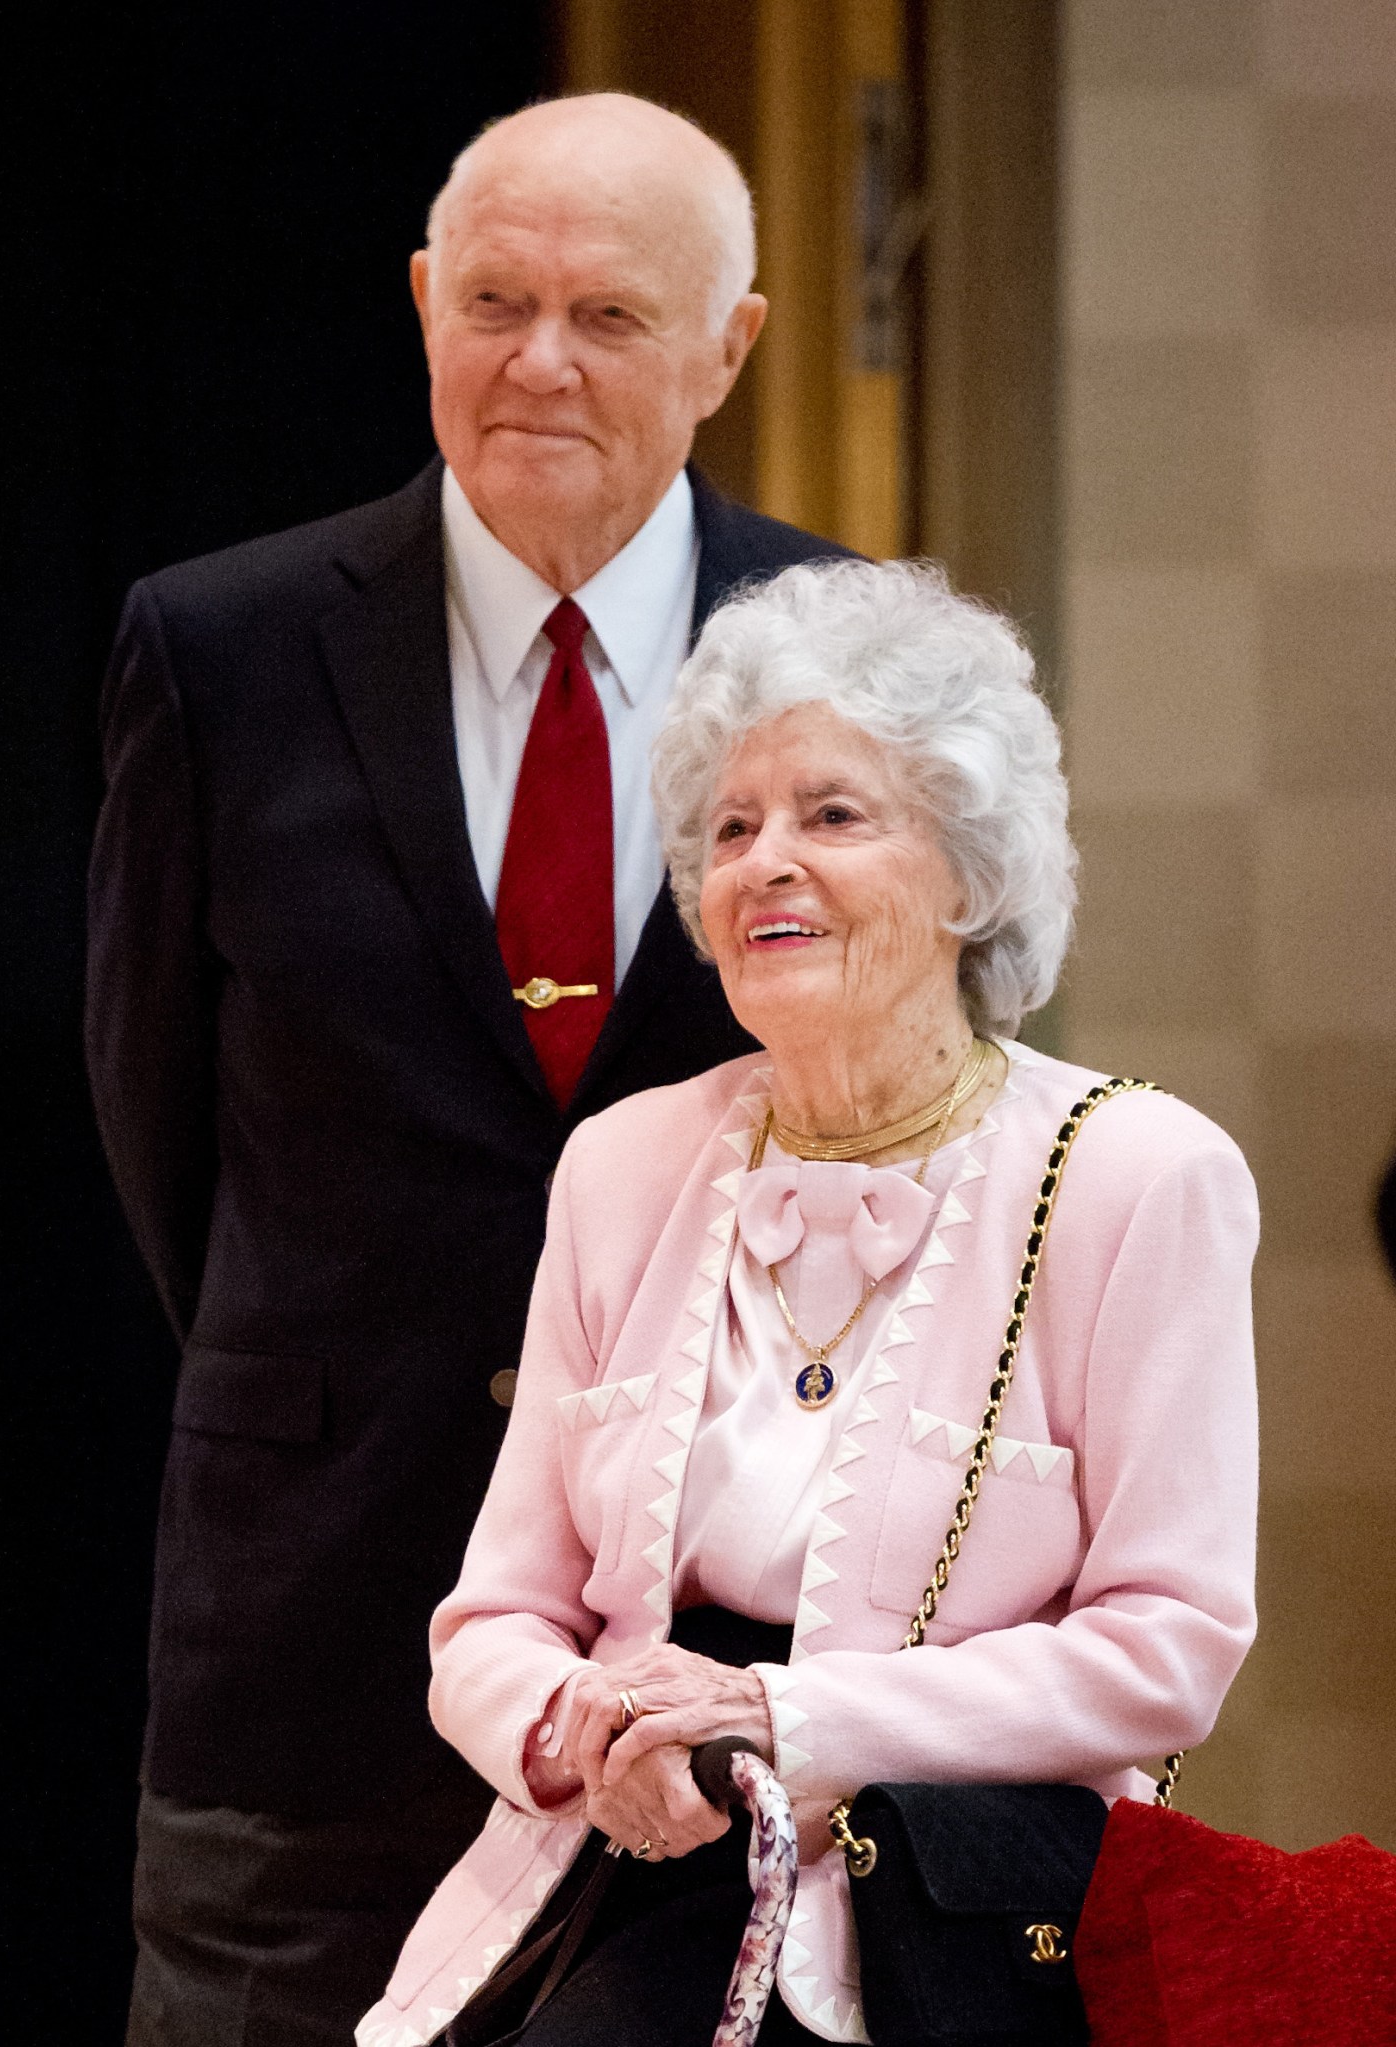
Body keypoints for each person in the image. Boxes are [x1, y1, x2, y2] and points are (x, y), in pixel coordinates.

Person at [87, 93, 855, 2047]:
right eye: (491, 300)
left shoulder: (864, 665)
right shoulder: (221, 648)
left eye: (605, 315)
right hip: (309, 1649)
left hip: (715, 1664)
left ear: (729, 346)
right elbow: (155, 1120)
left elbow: (927, 1140)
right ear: (423, 302)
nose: (535, 362)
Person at [359, 559, 1259, 2047]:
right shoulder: (623, 1165)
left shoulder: (1137, 1177)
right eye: (730, 828)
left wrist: (785, 1723)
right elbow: (494, 1619)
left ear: (970, 871)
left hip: (946, 1913)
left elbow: (1167, 1650)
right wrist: (587, 1734)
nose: (765, 859)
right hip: (629, 1861)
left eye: (832, 815)